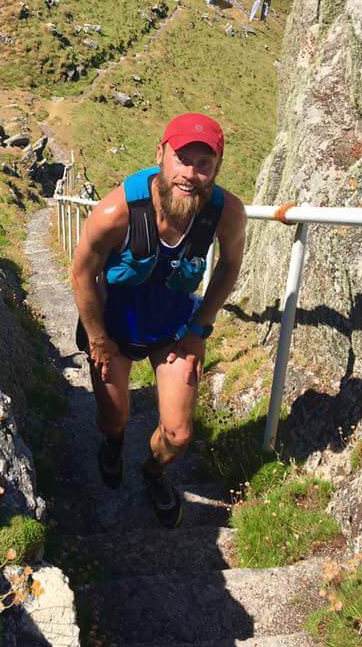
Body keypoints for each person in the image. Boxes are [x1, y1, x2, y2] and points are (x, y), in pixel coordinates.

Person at [71, 113, 247, 527]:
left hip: (172, 331)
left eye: (204, 163)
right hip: (114, 331)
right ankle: (112, 446)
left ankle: (153, 473)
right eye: (181, 159)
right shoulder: (118, 211)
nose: (190, 173)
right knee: (112, 418)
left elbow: (229, 269)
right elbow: (81, 273)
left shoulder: (225, 212)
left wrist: (200, 329)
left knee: (180, 435)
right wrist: (97, 338)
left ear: (217, 168)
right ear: (161, 155)